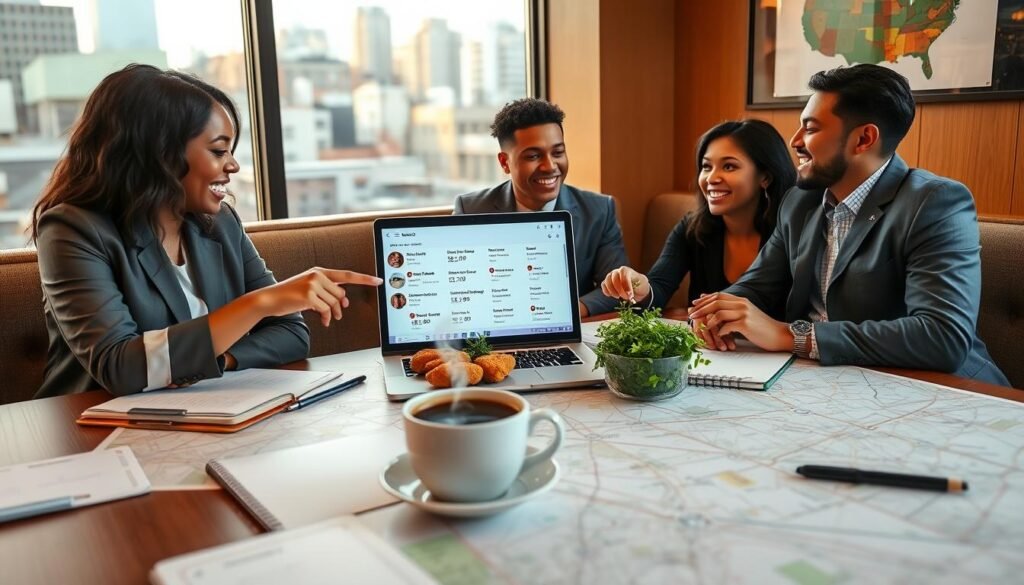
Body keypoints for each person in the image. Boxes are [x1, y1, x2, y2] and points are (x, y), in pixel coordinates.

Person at [31, 64, 382, 398]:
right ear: (159, 153)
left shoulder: (221, 224)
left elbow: (290, 334)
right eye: (218, 150)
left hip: (207, 416)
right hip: (92, 431)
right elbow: (120, 367)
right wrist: (258, 304)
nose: (233, 165)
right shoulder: (72, 231)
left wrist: (214, 361)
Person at [687, 64, 1009, 386]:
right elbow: (757, 286)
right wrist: (717, 312)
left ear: (863, 139)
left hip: (941, 390)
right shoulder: (799, 201)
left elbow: (942, 337)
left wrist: (793, 336)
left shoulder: (935, 203)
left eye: (810, 129)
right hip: (829, 384)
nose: (795, 141)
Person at [453, 98, 628, 317]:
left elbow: (617, 288)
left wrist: (567, 312)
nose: (550, 166)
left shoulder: (599, 210)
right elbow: (459, 287)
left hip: (567, 334)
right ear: (505, 162)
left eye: (557, 152)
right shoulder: (471, 209)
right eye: (534, 156)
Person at [601, 119, 795, 312]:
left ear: (765, 177)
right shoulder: (692, 228)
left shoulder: (791, 232)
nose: (711, 178)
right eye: (707, 167)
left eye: (729, 166)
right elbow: (658, 288)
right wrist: (640, 286)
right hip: (704, 343)